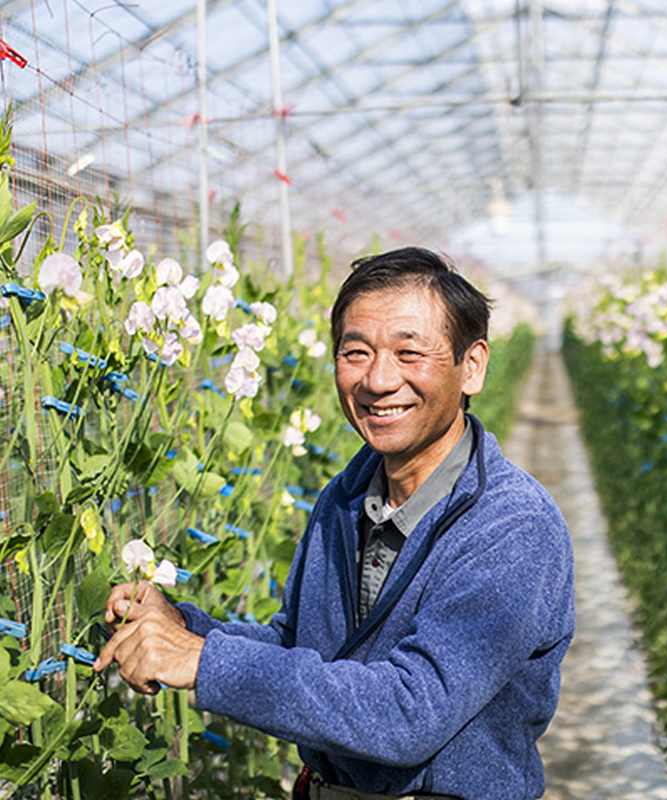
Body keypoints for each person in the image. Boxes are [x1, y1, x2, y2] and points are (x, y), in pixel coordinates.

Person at [95, 247, 575, 800]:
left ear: (472, 366)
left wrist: (205, 661)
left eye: (408, 352)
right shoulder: (346, 499)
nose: (379, 379)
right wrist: (186, 628)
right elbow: (299, 648)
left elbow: (408, 712)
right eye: (356, 352)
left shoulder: (511, 527)